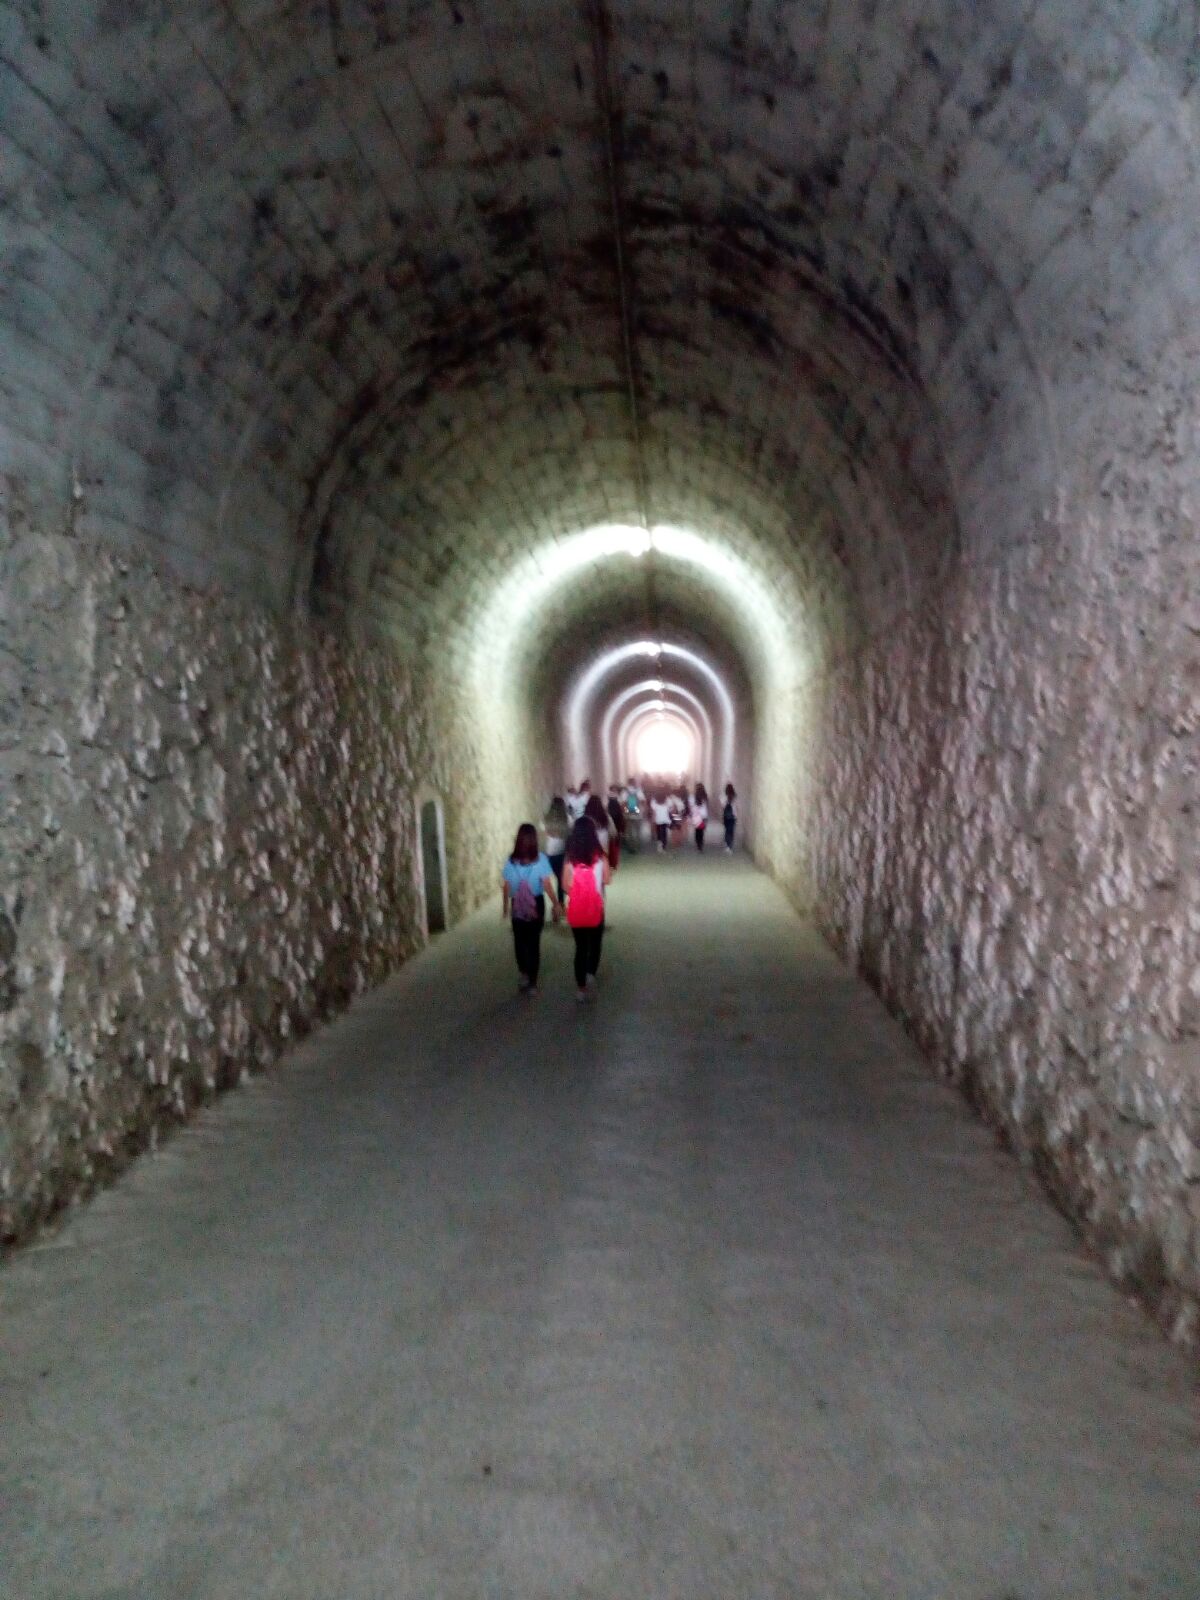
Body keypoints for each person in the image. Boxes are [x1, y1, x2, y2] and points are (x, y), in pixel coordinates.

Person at [501, 823, 560, 995]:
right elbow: (547, 884)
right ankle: (533, 983)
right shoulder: (541, 859)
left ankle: (524, 973)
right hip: (536, 903)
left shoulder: (511, 860)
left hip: (517, 904)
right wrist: (556, 903)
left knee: (520, 942)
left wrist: (505, 907)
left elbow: (506, 886)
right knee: (534, 943)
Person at [563, 816, 611, 1001]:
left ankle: (581, 989)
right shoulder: (600, 856)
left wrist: (577, 892)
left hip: (577, 909)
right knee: (595, 943)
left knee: (580, 948)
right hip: (596, 908)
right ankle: (591, 972)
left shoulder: (570, 858)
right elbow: (607, 880)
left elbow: (566, 885)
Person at [542, 795, 569, 903]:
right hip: (562, 852)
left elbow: (544, 831)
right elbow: (568, 833)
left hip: (549, 852)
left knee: (548, 879)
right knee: (560, 878)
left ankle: (556, 904)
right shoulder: (566, 818)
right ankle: (561, 904)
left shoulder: (546, 819)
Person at [585, 792, 613, 864]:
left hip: (589, 848)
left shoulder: (585, 818)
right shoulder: (606, 817)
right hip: (603, 848)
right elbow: (613, 833)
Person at [606, 785, 626, 869]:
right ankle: (614, 863)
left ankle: (609, 862)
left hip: (609, 831)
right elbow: (621, 819)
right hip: (616, 828)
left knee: (609, 845)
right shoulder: (618, 810)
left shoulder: (608, 810)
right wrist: (622, 830)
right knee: (616, 845)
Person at [691, 782, 709, 851]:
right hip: (703, 815)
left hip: (696, 815)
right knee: (701, 830)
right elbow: (707, 806)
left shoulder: (693, 796)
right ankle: (700, 844)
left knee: (697, 830)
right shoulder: (705, 796)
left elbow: (692, 806)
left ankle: (698, 843)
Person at [723, 784, 738, 852]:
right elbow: (737, 807)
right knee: (731, 831)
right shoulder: (735, 797)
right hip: (733, 817)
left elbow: (723, 806)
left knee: (727, 830)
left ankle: (727, 844)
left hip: (726, 816)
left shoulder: (723, 797)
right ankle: (730, 845)